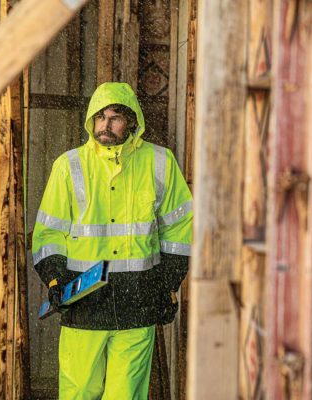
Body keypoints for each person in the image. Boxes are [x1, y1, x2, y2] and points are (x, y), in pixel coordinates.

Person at [32, 82, 192, 399]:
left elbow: (179, 229)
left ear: (132, 122)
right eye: (99, 116)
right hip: (83, 299)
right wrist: (55, 279)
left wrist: (168, 285)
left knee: (127, 394)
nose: (105, 124)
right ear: (91, 120)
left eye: (115, 116)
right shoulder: (69, 165)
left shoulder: (160, 162)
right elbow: (49, 234)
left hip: (139, 300)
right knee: (79, 392)